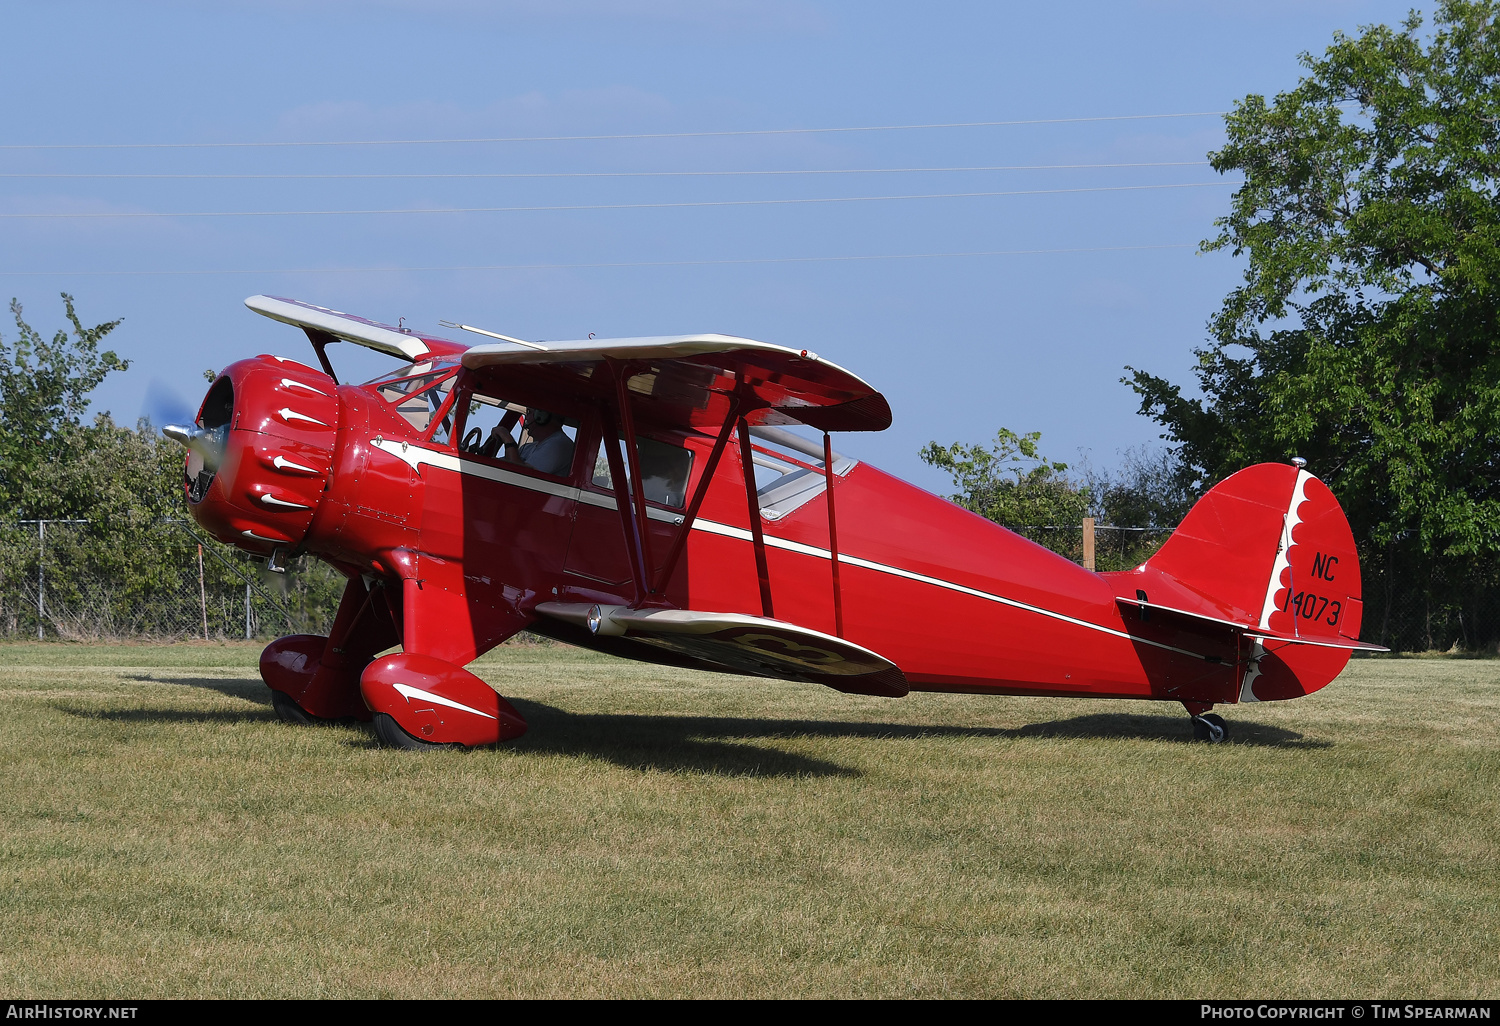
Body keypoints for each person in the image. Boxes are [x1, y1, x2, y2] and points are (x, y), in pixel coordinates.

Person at [488, 408, 574, 476]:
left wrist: (507, 438)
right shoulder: (529, 447)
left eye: (529, 412)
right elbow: (503, 464)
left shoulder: (559, 444)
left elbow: (518, 476)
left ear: (541, 416)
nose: (526, 418)